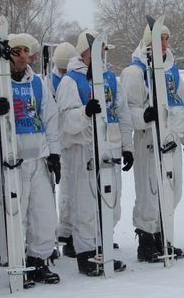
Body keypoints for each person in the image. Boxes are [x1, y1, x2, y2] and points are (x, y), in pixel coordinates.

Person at [0, 33, 62, 285]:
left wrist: (54, 153)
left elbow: (50, 119)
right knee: (15, 214)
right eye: (17, 51)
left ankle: (38, 259)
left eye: (26, 51)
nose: (24, 56)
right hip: (10, 161)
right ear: (7, 54)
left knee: (43, 214)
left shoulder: (37, 83)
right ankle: (17, 260)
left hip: (37, 159)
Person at [55, 31, 132, 274]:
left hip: (109, 147)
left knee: (111, 201)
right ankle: (87, 253)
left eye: (104, 50)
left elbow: (121, 112)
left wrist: (127, 146)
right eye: (99, 49)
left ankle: (103, 246)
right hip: (83, 149)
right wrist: (85, 113)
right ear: (85, 52)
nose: (103, 54)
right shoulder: (71, 81)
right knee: (86, 203)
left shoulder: (110, 78)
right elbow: (65, 120)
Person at [119, 23, 184, 262]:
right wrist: (144, 116)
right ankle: (146, 240)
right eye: (158, 38)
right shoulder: (135, 72)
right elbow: (126, 108)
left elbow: (183, 102)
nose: (163, 43)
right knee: (150, 191)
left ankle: (164, 235)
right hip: (149, 140)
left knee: (174, 190)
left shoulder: (171, 70)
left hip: (171, 139)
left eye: (166, 38)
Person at [49, 41, 78, 258]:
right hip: (58, 142)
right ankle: (65, 231)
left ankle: (74, 231)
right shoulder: (51, 82)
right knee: (66, 190)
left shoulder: (72, 81)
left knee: (74, 189)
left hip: (70, 139)